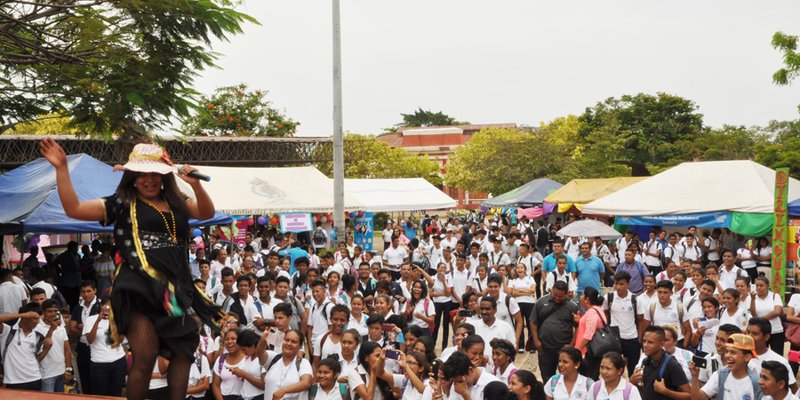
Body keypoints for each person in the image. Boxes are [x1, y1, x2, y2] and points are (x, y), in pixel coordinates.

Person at [40, 138, 222, 400]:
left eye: (155, 174)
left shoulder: (176, 200)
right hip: (138, 287)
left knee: (183, 353)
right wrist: (61, 169)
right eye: (142, 174)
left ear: (165, 176)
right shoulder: (122, 202)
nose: (149, 180)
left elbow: (205, 212)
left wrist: (195, 185)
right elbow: (74, 209)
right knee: (145, 357)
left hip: (175, 289)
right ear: (132, 176)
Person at [531, 280, 579, 383]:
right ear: (552, 290)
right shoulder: (541, 302)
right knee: (547, 378)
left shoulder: (572, 306)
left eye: (560, 296)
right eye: (555, 294)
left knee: (566, 378)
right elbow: (533, 322)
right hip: (544, 349)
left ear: (566, 294)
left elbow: (578, 327)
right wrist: (536, 341)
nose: (557, 298)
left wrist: (571, 345)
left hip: (563, 349)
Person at [689, 333, 761, 400]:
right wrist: (695, 377)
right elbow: (698, 398)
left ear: (747, 357)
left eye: (733, 352)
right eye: (727, 351)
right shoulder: (719, 376)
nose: (727, 356)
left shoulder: (756, 382)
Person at [83, 298, 127, 396]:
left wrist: (119, 324)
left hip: (118, 361)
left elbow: (120, 340)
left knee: (116, 394)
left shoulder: (117, 319)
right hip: (99, 363)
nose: (108, 308)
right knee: (100, 395)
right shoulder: (91, 319)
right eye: (106, 305)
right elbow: (90, 340)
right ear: (101, 306)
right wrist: (98, 321)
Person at [0, 304, 47, 390]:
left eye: (39, 319)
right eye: (35, 318)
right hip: (13, 382)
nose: (38, 322)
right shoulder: (8, 331)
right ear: (25, 317)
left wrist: (48, 348)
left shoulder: (38, 336)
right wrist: (22, 315)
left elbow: (37, 358)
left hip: (35, 379)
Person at [257, 329, 313, 400]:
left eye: (294, 342)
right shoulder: (273, 358)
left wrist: (284, 391)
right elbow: (260, 353)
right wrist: (262, 340)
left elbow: (306, 383)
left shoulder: (303, 363)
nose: (289, 343)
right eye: (286, 340)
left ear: (300, 346)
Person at [603, 271, 640, 376]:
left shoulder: (635, 299)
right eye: (616, 284)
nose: (618, 287)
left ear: (628, 284)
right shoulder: (609, 298)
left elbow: (640, 319)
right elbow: (605, 312)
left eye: (622, 284)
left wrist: (640, 338)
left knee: (633, 369)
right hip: (615, 339)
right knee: (613, 367)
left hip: (632, 338)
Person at [747, 317, 798, 391]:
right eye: (748, 332)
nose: (749, 337)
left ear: (766, 337)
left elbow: (793, 390)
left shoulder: (779, 361)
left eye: (755, 334)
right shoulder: (740, 356)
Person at [640, 280, 690, 347]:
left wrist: (683, 347)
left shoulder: (680, 308)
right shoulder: (650, 308)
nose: (662, 295)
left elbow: (688, 330)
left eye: (665, 292)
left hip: (676, 344)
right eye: (660, 292)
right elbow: (645, 329)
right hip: (657, 344)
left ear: (671, 293)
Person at [36, 299, 72, 393]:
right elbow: (41, 349)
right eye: (49, 311)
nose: (53, 314)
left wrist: (68, 369)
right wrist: (52, 329)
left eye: (55, 311)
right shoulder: (37, 327)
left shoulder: (61, 327)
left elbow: (67, 349)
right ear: (43, 312)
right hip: (46, 374)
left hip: (62, 372)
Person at [575, 287, 606, 380]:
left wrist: (577, 350)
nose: (580, 297)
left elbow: (589, 334)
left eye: (582, 295)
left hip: (588, 352)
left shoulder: (592, 312)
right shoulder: (596, 310)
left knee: (588, 378)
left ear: (587, 299)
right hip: (590, 351)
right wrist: (579, 320)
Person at [749, 276, 785, 354]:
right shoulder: (752, 298)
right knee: (760, 354)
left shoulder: (774, 296)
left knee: (777, 354)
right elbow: (754, 314)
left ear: (768, 286)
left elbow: (777, 311)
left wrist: (760, 321)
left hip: (776, 331)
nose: (759, 288)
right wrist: (752, 300)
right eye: (757, 285)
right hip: (760, 332)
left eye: (761, 285)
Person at [313, 304, 349, 370]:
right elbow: (315, 365)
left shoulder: (351, 341)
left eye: (342, 320)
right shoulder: (320, 339)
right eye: (335, 319)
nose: (338, 323)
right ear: (330, 319)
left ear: (347, 321)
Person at [430, 262, 453, 349]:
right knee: (436, 324)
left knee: (446, 324)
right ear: (437, 268)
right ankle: (433, 345)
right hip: (437, 303)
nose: (442, 269)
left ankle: (444, 346)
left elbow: (448, 293)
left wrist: (443, 281)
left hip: (447, 302)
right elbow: (430, 294)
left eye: (444, 268)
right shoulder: (433, 278)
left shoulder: (448, 278)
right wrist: (442, 294)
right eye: (440, 267)